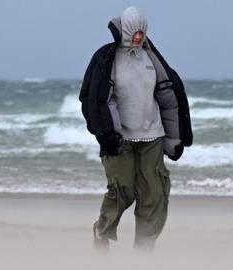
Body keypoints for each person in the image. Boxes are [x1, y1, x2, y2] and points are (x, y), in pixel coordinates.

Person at [79, 6, 193, 250]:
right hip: (120, 139)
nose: (138, 37)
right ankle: (102, 231)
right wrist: (105, 134)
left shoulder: (151, 58)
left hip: (152, 136)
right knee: (123, 191)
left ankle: (144, 249)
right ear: (125, 29)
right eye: (134, 32)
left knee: (155, 195)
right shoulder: (106, 58)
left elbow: (168, 98)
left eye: (143, 32)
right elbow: (91, 98)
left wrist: (176, 138)